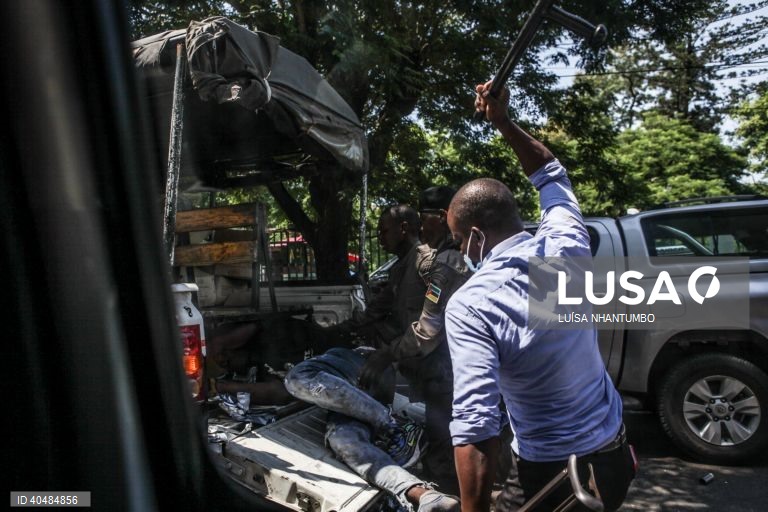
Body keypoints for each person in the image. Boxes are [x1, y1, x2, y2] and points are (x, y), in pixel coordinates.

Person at [443, 81, 635, 512]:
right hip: (615, 457)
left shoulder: (474, 304)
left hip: (555, 478)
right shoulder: (564, 247)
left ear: (475, 237)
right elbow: (550, 172)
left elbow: (476, 428)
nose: (459, 251)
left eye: (457, 241)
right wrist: (504, 122)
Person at [285, 347, 460, 512]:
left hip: (365, 365)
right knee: (343, 440)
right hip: (368, 392)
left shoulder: (320, 361)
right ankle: (423, 494)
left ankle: (392, 425)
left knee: (296, 378)